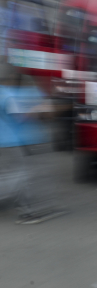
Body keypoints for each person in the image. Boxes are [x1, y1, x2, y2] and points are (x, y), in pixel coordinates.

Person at [0, 61, 63, 224]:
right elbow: (19, 117)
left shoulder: (3, 92)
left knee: (12, 174)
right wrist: (37, 109)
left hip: (7, 142)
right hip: (10, 141)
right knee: (18, 176)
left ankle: (26, 210)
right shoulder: (7, 95)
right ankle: (26, 212)